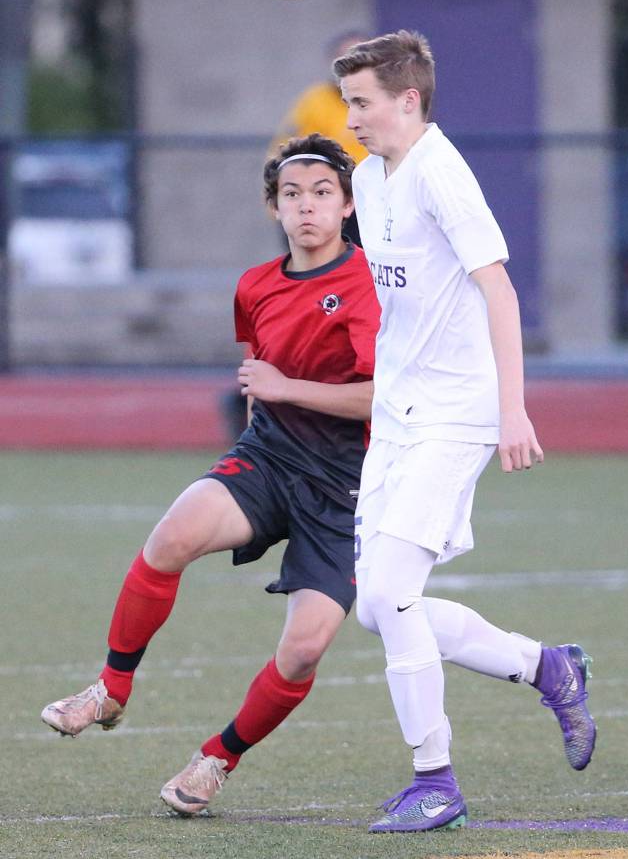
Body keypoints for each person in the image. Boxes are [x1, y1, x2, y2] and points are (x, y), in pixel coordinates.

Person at [41, 134, 381, 816]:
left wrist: (284, 387)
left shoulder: (369, 282)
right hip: (269, 457)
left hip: (346, 487)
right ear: (273, 207)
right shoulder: (254, 285)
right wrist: (266, 401)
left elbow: (381, 396)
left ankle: (215, 758)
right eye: (292, 195)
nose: (306, 207)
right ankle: (110, 687)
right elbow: (260, 372)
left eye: (321, 193)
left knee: (303, 650)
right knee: (170, 536)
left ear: (347, 206)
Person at [334, 31, 597, 834]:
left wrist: (511, 410)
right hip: (398, 414)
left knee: (388, 590)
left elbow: (500, 292)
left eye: (361, 103)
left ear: (407, 100)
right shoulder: (365, 176)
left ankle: (435, 778)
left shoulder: (442, 174)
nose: (351, 119)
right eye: (347, 103)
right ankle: (545, 666)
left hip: (457, 411)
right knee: (379, 609)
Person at [272, 30, 369, 245]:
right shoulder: (314, 102)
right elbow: (285, 152)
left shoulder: (381, 103)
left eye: (360, 61)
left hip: (372, 204)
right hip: (327, 204)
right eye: (345, 60)